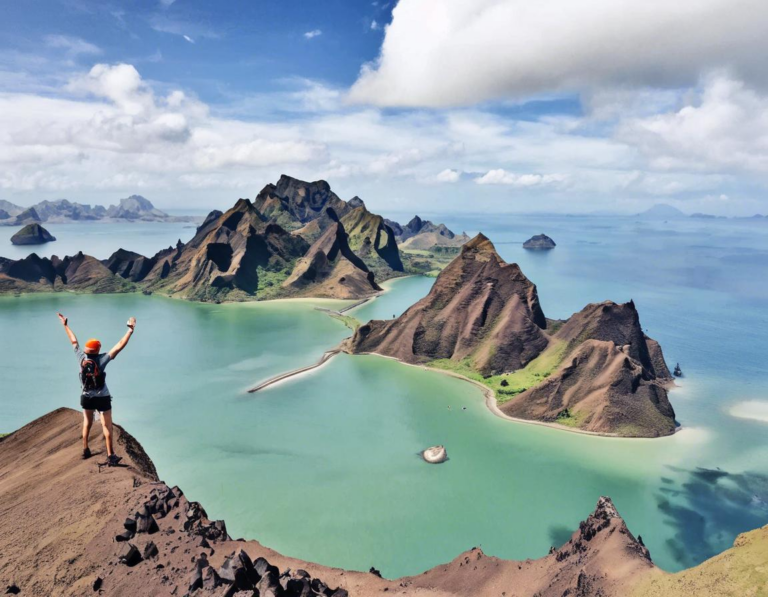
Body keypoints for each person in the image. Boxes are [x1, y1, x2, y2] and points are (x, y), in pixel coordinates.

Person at [57, 313, 136, 466]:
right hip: (103, 397)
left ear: (87, 350)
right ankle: (111, 455)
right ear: (98, 349)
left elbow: (73, 341)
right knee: (107, 426)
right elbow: (120, 345)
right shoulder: (102, 359)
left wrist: (65, 325)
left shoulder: (81, 358)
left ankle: (85, 449)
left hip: (86, 397)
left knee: (87, 423)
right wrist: (130, 331)